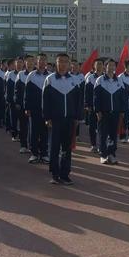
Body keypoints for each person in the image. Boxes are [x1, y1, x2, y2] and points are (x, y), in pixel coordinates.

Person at [43, 53, 82, 185]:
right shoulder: (50, 79)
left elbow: (78, 101)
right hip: (55, 120)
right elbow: (45, 101)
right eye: (60, 61)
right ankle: (55, 173)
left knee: (67, 148)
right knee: (54, 147)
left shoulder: (74, 81)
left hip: (70, 120)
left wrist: (77, 117)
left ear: (69, 63)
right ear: (56, 63)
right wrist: (47, 117)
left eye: (65, 61)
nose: (63, 64)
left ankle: (65, 174)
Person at [94, 59, 125, 165]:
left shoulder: (119, 81)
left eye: (113, 65)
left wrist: (122, 111)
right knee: (103, 134)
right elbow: (96, 98)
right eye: (109, 65)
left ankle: (111, 154)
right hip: (104, 112)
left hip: (115, 113)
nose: (111, 67)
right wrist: (97, 111)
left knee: (113, 135)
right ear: (105, 67)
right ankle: (103, 155)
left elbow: (122, 98)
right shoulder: (100, 80)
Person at [24, 54, 50, 164]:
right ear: (36, 62)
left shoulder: (50, 76)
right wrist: (27, 107)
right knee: (34, 131)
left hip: (47, 110)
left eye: (44, 60)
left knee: (45, 132)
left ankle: (44, 153)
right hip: (34, 109)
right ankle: (34, 154)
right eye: (40, 60)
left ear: (46, 63)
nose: (42, 62)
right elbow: (27, 93)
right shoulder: (31, 76)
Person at [15, 55, 35, 154]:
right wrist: (18, 102)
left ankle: (33, 146)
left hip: (35, 106)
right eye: (28, 61)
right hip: (23, 105)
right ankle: (23, 145)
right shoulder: (21, 74)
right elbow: (16, 90)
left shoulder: (37, 74)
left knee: (34, 128)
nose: (30, 63)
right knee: (24, 126)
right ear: (25, 63)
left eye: (32, 61)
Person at [85, 59, 104, 153]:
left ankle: (101, 145)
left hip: (103, 107)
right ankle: (93, 145)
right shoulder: (90, 77)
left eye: (101, 64)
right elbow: (87, 92)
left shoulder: (105, 77)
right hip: (92, 107)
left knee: (101, 126)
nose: (100, 66)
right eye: (98, 64)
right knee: (92, 126)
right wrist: (88, 105)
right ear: (94, 66)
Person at [6, 58, 23, 142]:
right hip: (13, 101)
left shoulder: (24, 74)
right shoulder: (11, 74)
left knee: (22, 121)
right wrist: (9, 99)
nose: (19, 64)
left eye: (21, 62)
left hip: (22, 101)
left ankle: (22, 135)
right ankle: (14, 134)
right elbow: (8, 88)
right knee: (14, 119)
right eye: (17, 63)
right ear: (15, 64)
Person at [118, 59, 129, 142]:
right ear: (127, 66)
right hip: (123, 102)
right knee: (123, 119)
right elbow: (120, 91)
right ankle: (122, 136)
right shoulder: (121, 77)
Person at [70, 58, 85, 142]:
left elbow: (83, 90)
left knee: (77, 119)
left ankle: (77, 135)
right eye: (73, 65)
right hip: (70, 101)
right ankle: (70, 135)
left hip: (79, 101)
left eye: (76, 65)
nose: (74, 67)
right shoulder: (67, 75)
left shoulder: (81, 77)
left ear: (79, 67)